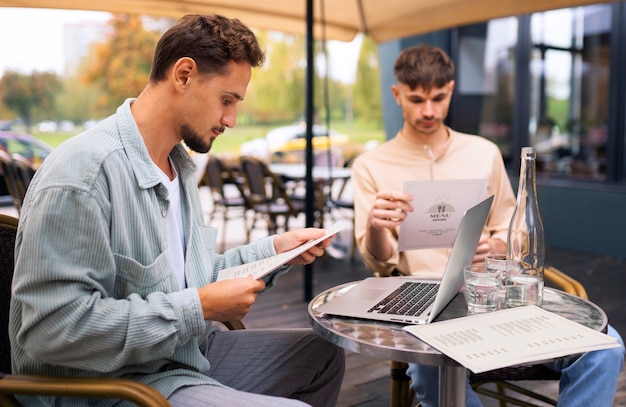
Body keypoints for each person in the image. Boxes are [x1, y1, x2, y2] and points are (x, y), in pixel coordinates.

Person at [9, 14, 344, 407]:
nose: (231, 120)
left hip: (178, 359)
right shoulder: (84, 173)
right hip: (110, 386)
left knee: (323, 356)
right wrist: (198, 308)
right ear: (183, 74)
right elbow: (51, 329)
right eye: (226, 99)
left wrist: (273, 252)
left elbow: (186, 281)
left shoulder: (177, 167)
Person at [351, 43, 624, 406]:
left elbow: (515, 229)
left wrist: (496, 246)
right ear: (397, 94)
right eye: (417, 99)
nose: (429, 110)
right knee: (430, 369)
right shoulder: (371, 165)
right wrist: (375, 226)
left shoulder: (483, 152)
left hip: (493, 297)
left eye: (439, 97)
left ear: (451, 90)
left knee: (606, 346)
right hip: (424, 308)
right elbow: (378, 262)